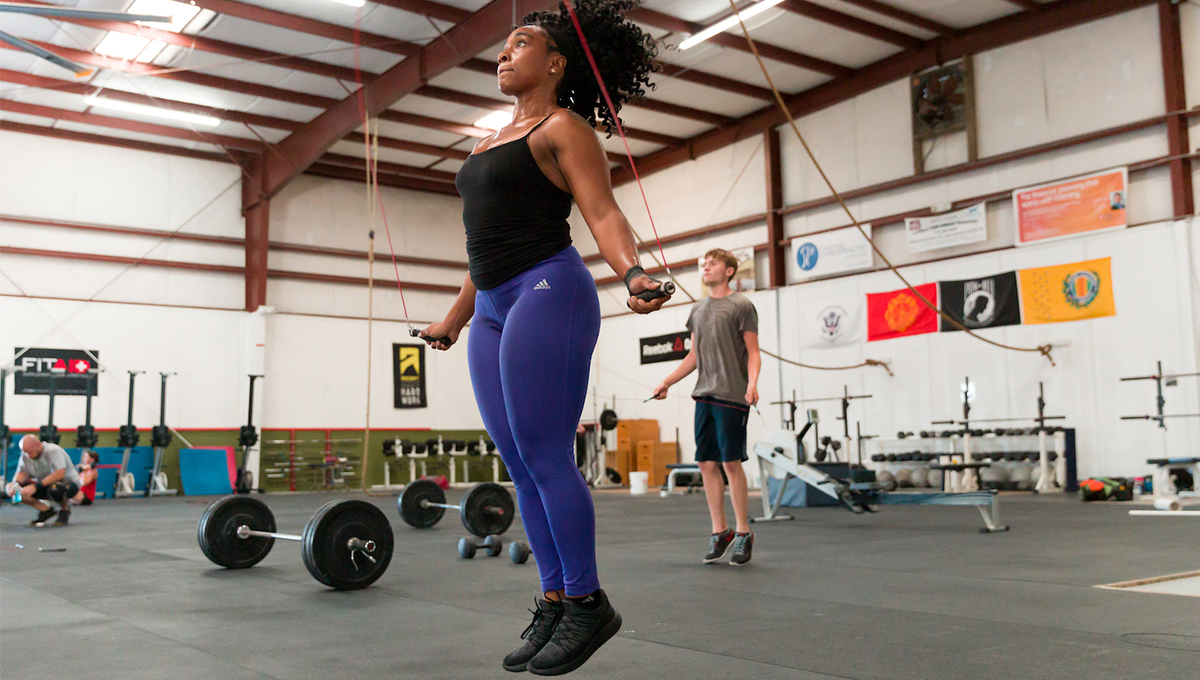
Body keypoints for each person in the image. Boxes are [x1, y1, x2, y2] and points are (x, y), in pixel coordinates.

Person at [418, 2, 666, 674]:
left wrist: (633, 273)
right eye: (501, 47)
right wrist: (454, 318)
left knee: (545, 453)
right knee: (519, 463)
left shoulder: (565, 127)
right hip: (494, 304)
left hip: (548, 290)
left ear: (554, 62)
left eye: (519, 44)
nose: (503, 54)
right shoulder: (484, 144)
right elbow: (482, 253)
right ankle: (556, 598)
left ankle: (588, 603)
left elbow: (604, 212)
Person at [653, 249, 761, 565]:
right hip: (704, 394)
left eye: (712, 263)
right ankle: (720, 531)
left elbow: (753, 352)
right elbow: (694, 356)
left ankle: (743, 532)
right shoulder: (697, 310)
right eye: (704, 264)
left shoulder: (742, 306)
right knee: (706, 464)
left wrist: (752, 384)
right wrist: (667, 381)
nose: (706, 268)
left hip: (732, 395)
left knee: (730, 463)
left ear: (728, 271)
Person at [4, 435, 83, 526]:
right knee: (15, 491)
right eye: (26, 453)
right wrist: (14, 485)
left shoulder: (53, 451)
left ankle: (64, 510)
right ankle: (46, 510)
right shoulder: (26, 455)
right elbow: (22, 473)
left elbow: (59, 474)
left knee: (56, 488)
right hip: (44, 484)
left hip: (67, 484)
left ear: (38, 445)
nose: (28, 456)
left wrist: (36, 487)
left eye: (30, 452)